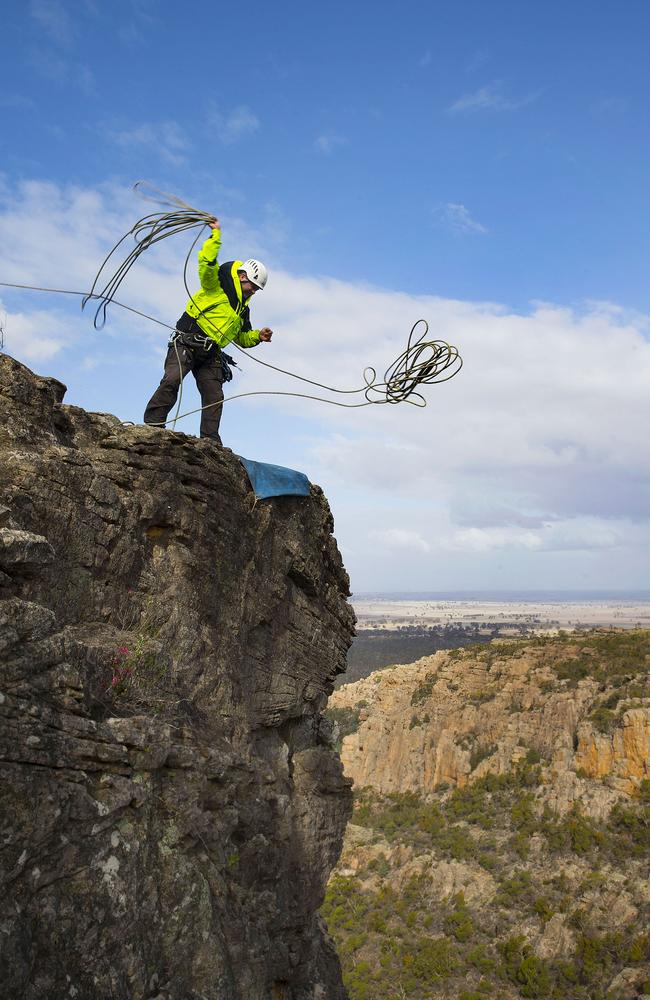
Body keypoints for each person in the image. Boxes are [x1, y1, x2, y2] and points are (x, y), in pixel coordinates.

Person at [143, 218, 273, 444]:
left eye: (256, 289)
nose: (253, 291)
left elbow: (242, 337)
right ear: (243, 276)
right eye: (252, 286)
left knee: (214, 396)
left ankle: (210, 441)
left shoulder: (243, 310)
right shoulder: (216, 285)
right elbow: (206, 262)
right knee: (172, 379)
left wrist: (258, 337)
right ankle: (153, 426)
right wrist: (215, 236)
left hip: (211, 353)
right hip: (186, 342)